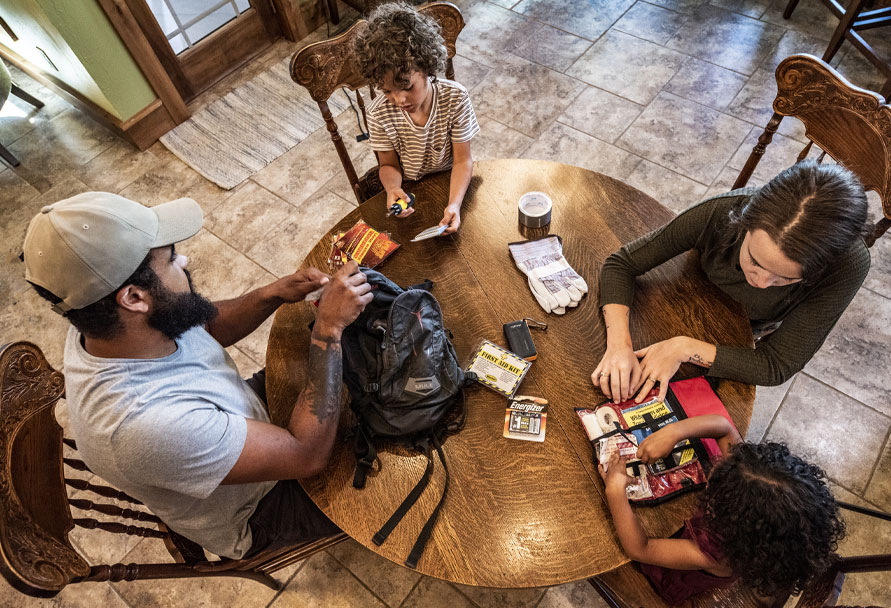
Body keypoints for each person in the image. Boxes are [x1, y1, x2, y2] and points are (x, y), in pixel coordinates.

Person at [22, 192, 373, 560]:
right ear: (134, 297)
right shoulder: (141, 427)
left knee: (367, 356)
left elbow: (199, 325)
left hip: (241, 414)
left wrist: (271, 294)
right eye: (171, 258)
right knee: (399, 473)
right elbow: (307, 456)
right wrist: (327, 329)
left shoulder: (101, 317)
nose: (184, 260)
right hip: (261, 506)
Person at [593, 160, 870, 404]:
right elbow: (621, 263)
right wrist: (619, 346)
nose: (761, 282)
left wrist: (684, 347)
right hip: (685, 295)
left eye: (785, 278)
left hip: (743, 335)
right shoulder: (721, 210)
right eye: (755, 260)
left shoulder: (847, 266)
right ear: (744, 222)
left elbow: (776, 365)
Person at [599, 415, 845, 605]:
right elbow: (723, 427)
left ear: (728, 516)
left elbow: (640, 548)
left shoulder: (712, 555)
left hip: (667, 574)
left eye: (718, 487)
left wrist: (615, 490)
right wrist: (675, 431)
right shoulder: (750, 477)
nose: (715, 467)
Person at [354, 1, 479, 234]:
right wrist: (392, 188)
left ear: (427, 67)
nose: (399, 100)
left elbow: (463, 161)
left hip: (451, 182)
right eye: (387, 91)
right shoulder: (378, 112)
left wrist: (454, 204)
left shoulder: (455, 98)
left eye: (407, 87)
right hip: (410, 188)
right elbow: (388, 164)